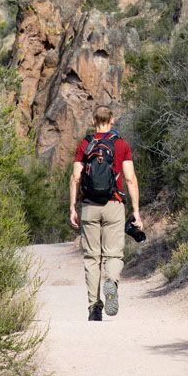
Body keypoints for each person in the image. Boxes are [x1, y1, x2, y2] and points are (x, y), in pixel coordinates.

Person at [70, 106, 142, 321]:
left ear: (94, 120)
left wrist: (72, 207)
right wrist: (136, 211)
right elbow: (130, 179)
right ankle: (111, 281)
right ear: (112, 119)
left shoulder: (84, 144)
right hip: (114, 205)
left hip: (89, 206)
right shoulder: (121, 144)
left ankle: (94, 307)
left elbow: (75, 177)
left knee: (92, 258)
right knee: (113, 254)